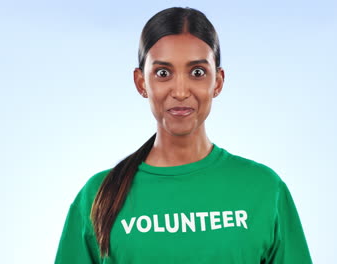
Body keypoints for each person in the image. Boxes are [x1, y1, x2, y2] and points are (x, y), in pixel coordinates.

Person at [55, 7, 312, 264]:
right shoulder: (98, 196)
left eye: (197, 72)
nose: (180, 91)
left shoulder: (264, 189)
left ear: (218, 82)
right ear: (141, 82)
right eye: (163, 73)